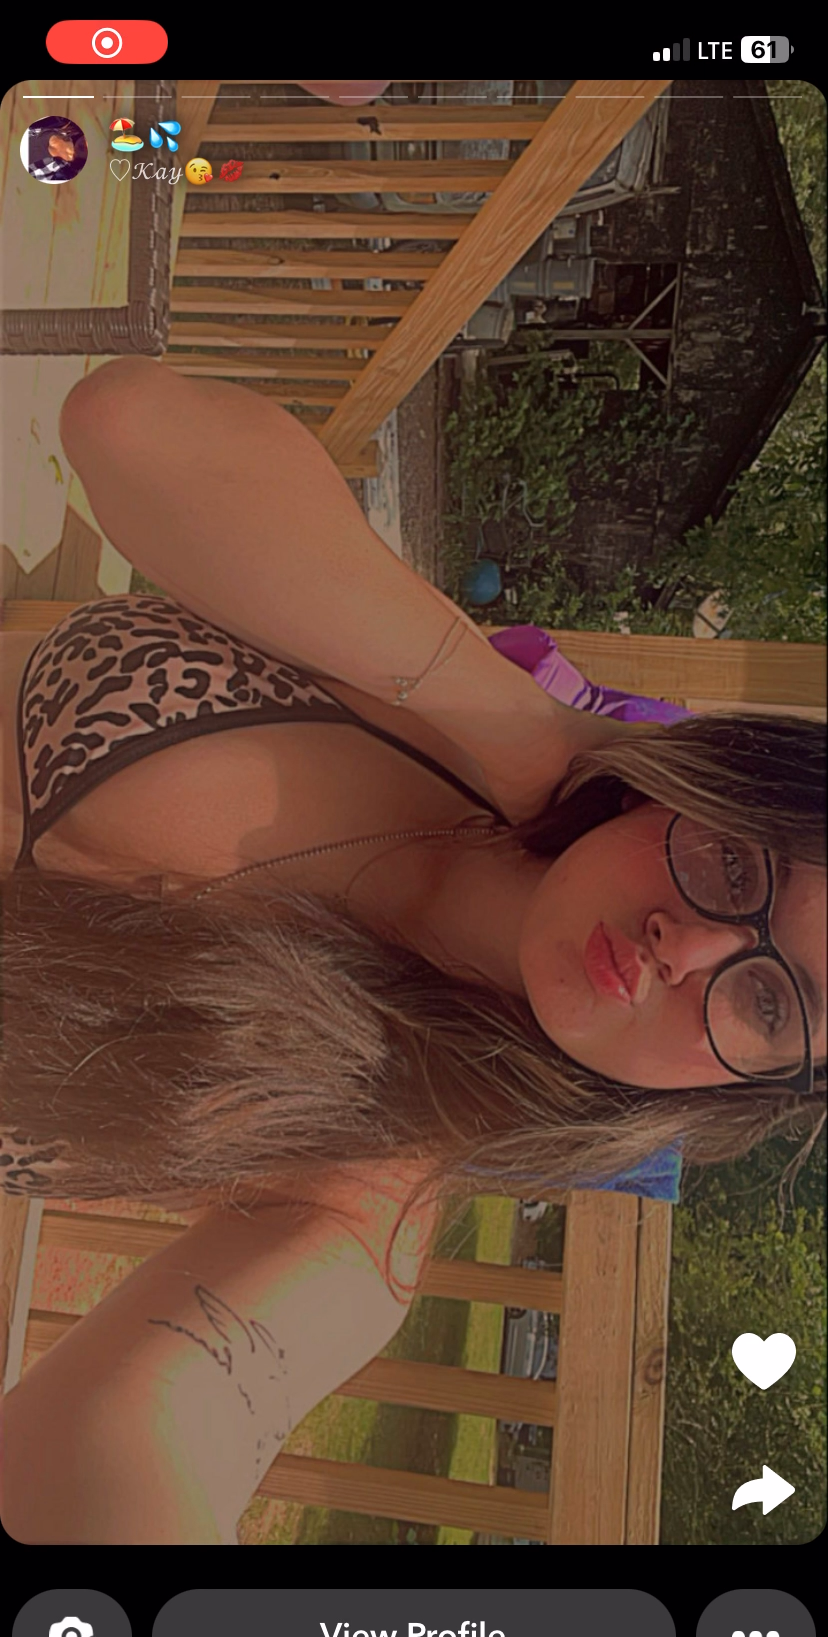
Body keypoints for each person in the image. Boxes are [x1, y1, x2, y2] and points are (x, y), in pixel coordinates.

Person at [1, 359, 824, 1543]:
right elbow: (123, 426)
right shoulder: (424, 708)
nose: (686, 946)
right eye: (738, 866)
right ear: (703, 788)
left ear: (740, 1091)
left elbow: (149, 1427)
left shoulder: (361, 1197)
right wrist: (521, 719)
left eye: (771, 1005)